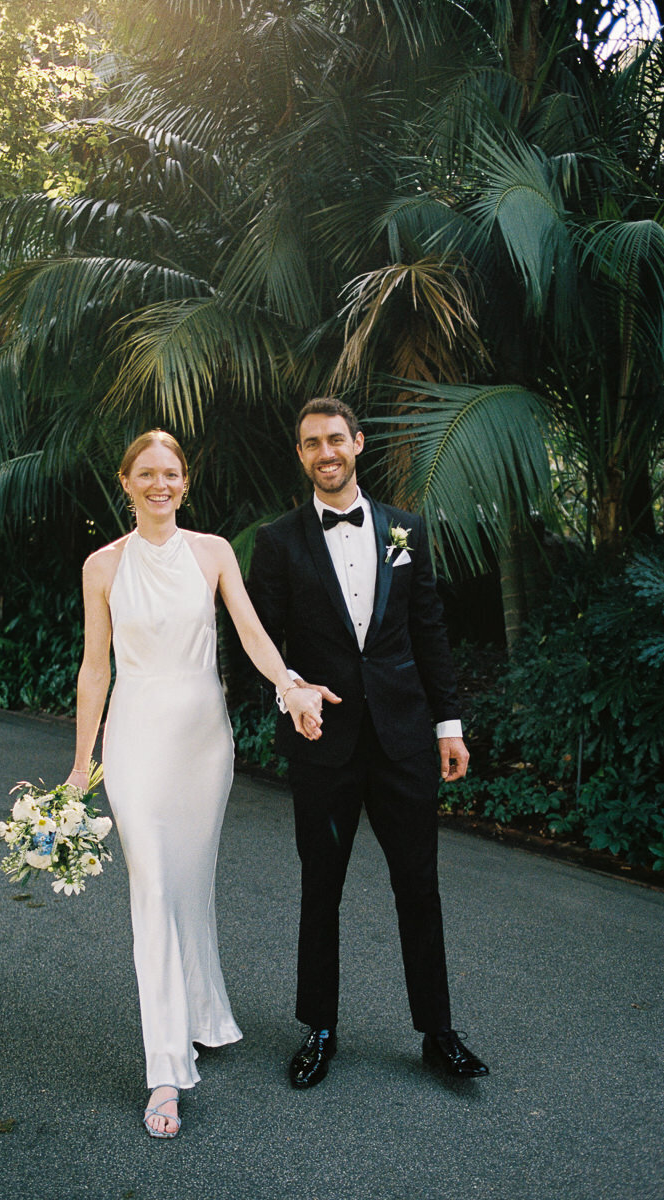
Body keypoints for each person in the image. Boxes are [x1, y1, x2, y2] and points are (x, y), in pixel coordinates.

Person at [65, 430, 324, 1138]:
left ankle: (204, 1015)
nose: (159, 483)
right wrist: (80, 763)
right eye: (145, 473)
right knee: (151, 890)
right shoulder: (101, 566)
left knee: (188, 885)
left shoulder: (211, 553)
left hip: (202, 744)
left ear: (185, 482)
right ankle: (165, 1071)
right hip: (135, 741)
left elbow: (252, 634)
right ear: (125, 482)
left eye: (170, 473)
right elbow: (96, 669)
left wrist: (291, 687)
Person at [247, 397, 489, 1088]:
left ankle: (437, 1032)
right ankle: (319, 1029)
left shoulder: (403, 530)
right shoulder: (277, 540)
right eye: (310, 443)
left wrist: (448, 725)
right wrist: (289, 691)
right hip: (321, 743)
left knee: (418, 886)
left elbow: (428, 632)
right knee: (320, 889)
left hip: (404, 740)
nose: (324, 452)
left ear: (357, 443)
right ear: (299, 455)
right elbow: (261, 641)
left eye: (334, 439)